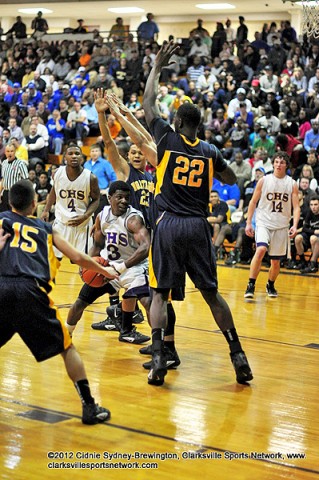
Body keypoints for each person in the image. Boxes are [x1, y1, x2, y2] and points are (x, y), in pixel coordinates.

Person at [142, 41, 253, 386]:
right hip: (198, 225)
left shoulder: (166, 138)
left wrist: (157, 67)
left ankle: (159, 357)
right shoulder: (209, 151)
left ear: (176, 122)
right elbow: (233, 177)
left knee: (159, 293)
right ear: (199, 126)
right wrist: (216, 171)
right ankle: (238, 357)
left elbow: (148, 103)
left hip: (170, 224)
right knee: (211, 294)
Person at [0, 180, 118, 424]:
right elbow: (76, 257)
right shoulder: (45, 229)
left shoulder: (1, 220)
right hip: (30, 292)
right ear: (34, 204)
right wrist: (104, 271)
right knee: (67, 349)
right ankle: (89, 407)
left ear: (10, 202)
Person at [66, 180, 151, 345]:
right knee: (80, 302)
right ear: (109, 197)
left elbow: (146, 247)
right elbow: (97, 245)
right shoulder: (102, 216)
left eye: (127, 198)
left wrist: (122, 267)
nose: (124, 201)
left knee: (147, 301)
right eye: (119, 197)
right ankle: (65, 335)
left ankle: (156, 344)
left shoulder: (133, 219)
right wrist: (89, 263)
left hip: (132, 266)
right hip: (107, 266)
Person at [244, 151, 300, 299]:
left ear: (286, 165)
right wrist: (249, 222)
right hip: (264, 223)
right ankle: (251, 284)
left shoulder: (292, 184)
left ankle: (270, 284)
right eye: (276, 162)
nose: (278, 165)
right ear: (273, 163)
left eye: (282, 162)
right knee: (261, 249)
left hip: (281, 225)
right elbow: (253, 202)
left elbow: (296, 207)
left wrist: (294, 225)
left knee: (275, 262)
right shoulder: (264, 180)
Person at [41, 144, 100, 259]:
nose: (74, 156)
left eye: (77, 154)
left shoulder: (91, 178)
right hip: (61, 222)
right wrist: (46, 210)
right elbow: (54, 191)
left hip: (82, 225)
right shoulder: (57, 173)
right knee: (52, 259)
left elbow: (96, 199)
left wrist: (85, 216)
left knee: (83, 263)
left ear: (82, 158)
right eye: (70, 154)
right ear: (64, 158)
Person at [83, 143, 117, 216]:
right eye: (92, 151)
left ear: (100, 152)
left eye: (96, 151)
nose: (94, 153)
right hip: (87, 194)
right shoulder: (86, 164)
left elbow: (114, 178)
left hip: (100, 194)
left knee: (99, 217)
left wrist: (108, 190)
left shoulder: (105, 163)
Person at [0, 144, 29, 212]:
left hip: (15, 193)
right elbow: (3, 179)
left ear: (15, 152)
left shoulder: (20, 164)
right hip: (5, 193)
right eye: (8, 151)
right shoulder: (4, 163)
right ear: (5, 152)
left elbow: (26, 181)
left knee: (14, 214)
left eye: (12, 151)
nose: (10, 153)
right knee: (5, 214)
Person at [295, 195, 319, 274]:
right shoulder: (309, 212)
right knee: (297, 238)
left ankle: (313, 264)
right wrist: (314, 231)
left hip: (316, 239)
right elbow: (304, 228)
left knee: (313, 238)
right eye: (311, 205)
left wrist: (312, 232)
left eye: (315, 205)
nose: (313, 207)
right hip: (311, 235)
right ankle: (303, 262)